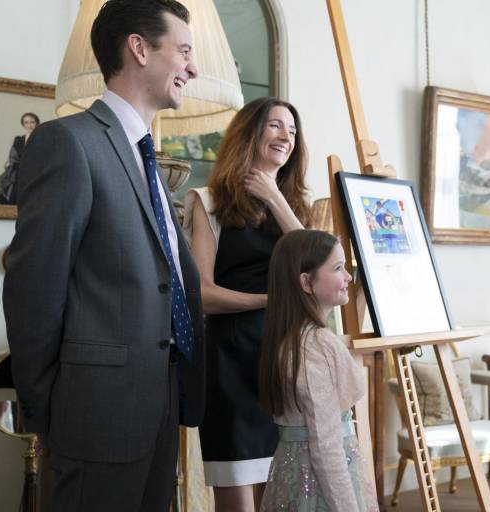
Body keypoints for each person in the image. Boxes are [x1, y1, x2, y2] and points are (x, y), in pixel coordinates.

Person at [3, 1, 205, 510]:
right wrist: (47, 411)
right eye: (182, 50)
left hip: (158, 405)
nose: (192, 67)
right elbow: (33, 290)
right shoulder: (67, 143)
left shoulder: (147, 160)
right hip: (92, 417)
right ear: (138, 48)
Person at [183, 97, 310, 511]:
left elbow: (315, 266)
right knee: (237, 493)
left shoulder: (293, 207)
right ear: (249, 133)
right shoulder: (209, 201)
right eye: (275, 126)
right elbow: (202, 293)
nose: (285, 137)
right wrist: (272, 300)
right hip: (230, 363)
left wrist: (275, 198)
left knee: (286, 493)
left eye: (292, 131)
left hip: (287, 363)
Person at [258, 229, 379, 511]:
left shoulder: (300, 339)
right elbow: (326, 444)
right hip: (318, 484)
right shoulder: (313, 347)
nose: (349, 277)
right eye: (338, 268)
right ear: (307, 282)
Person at [0, 112, 40, 204]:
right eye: (26, 122)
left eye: (32, 122)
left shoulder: (41, 139)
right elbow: (13, 157)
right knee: (9, 187)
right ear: (23, 124)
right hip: (18, 171)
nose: (29, 125)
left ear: (37, 123)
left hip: (35, 171)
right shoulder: (19, 140)